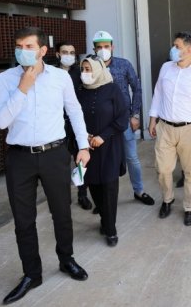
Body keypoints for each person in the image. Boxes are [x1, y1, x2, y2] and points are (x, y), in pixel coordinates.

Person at [0, 27, 90, 305]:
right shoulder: (5, 79)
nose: (23, 51)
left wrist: (83, 146)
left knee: (61, 212)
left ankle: (66, 258)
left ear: (43, 50)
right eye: (19, 46)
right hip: (20, 157)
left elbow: (74, 111)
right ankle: (31, 274)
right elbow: (0, 121)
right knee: (23, 220)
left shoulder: (60, 77)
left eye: (29, 46)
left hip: (54, 154)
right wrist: (23, 87)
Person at [148, 32, 191, 226]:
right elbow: (158, 94)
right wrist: (152, 119)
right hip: (165, 127)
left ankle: (190, 207)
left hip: (190, 129)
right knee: (162, 169)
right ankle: (167, 199)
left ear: (189, 50)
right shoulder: (166, 68)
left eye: (177, 46)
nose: (173, 49)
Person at [92, 31, 155, 207]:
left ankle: (139, 190)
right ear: (94, 49)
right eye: (99, 47)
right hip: (102, 125)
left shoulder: (124, 64)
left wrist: (135, 115)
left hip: (124, 121)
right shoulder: (91, 66)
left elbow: (137, 88)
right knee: (104, 162)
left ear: (112, 47)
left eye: (106, 46)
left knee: (132, 158)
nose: (103, 50)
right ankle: (104, 199)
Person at [77, 56, 129, 247]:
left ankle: (110, 229)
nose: (85, 73)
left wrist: (103, 136)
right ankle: (104, 219)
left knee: (109, 187)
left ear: (98, 70)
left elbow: (122, 117)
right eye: (83, 69)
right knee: (93, 185)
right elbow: (73, 117)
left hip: (109, 146)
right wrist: (84, 137)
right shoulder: (79, 92)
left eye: (89, 69)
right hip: (88, 148)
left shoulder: (112, 89)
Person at [54, 41, 92, 211]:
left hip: (76, 123)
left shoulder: (79, 73)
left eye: (72, 52)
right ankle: (63, 196)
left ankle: (82, 194)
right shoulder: (51, 73)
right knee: (60, 161)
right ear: (57, 54)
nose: (69, 55)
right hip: (58, 124)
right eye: (65, 52)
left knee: (80, 160)